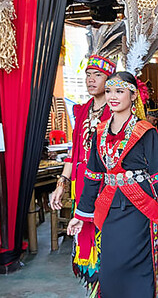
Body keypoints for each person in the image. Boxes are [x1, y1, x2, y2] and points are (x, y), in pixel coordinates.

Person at [67, 71, 158, 298]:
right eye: (109, 91)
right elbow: (92, 176)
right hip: (109, 211)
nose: (112, 96)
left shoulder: (145, 131)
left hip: (139, 211)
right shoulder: (99, 132)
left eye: (120, 91)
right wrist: (81, 214)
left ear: (133, 95)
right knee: (110, 270)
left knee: (140, 271)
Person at [49, 54, 114, 291]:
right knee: (85, 239)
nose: (91, 80)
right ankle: (94, 288)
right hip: (82, 184)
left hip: (108, 186)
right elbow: (74, 151)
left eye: (98, 75)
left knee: (108, 241)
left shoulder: (116, 109)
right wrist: (62, 183)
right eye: (88, 75)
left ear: (109, 79)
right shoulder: (82, 110)